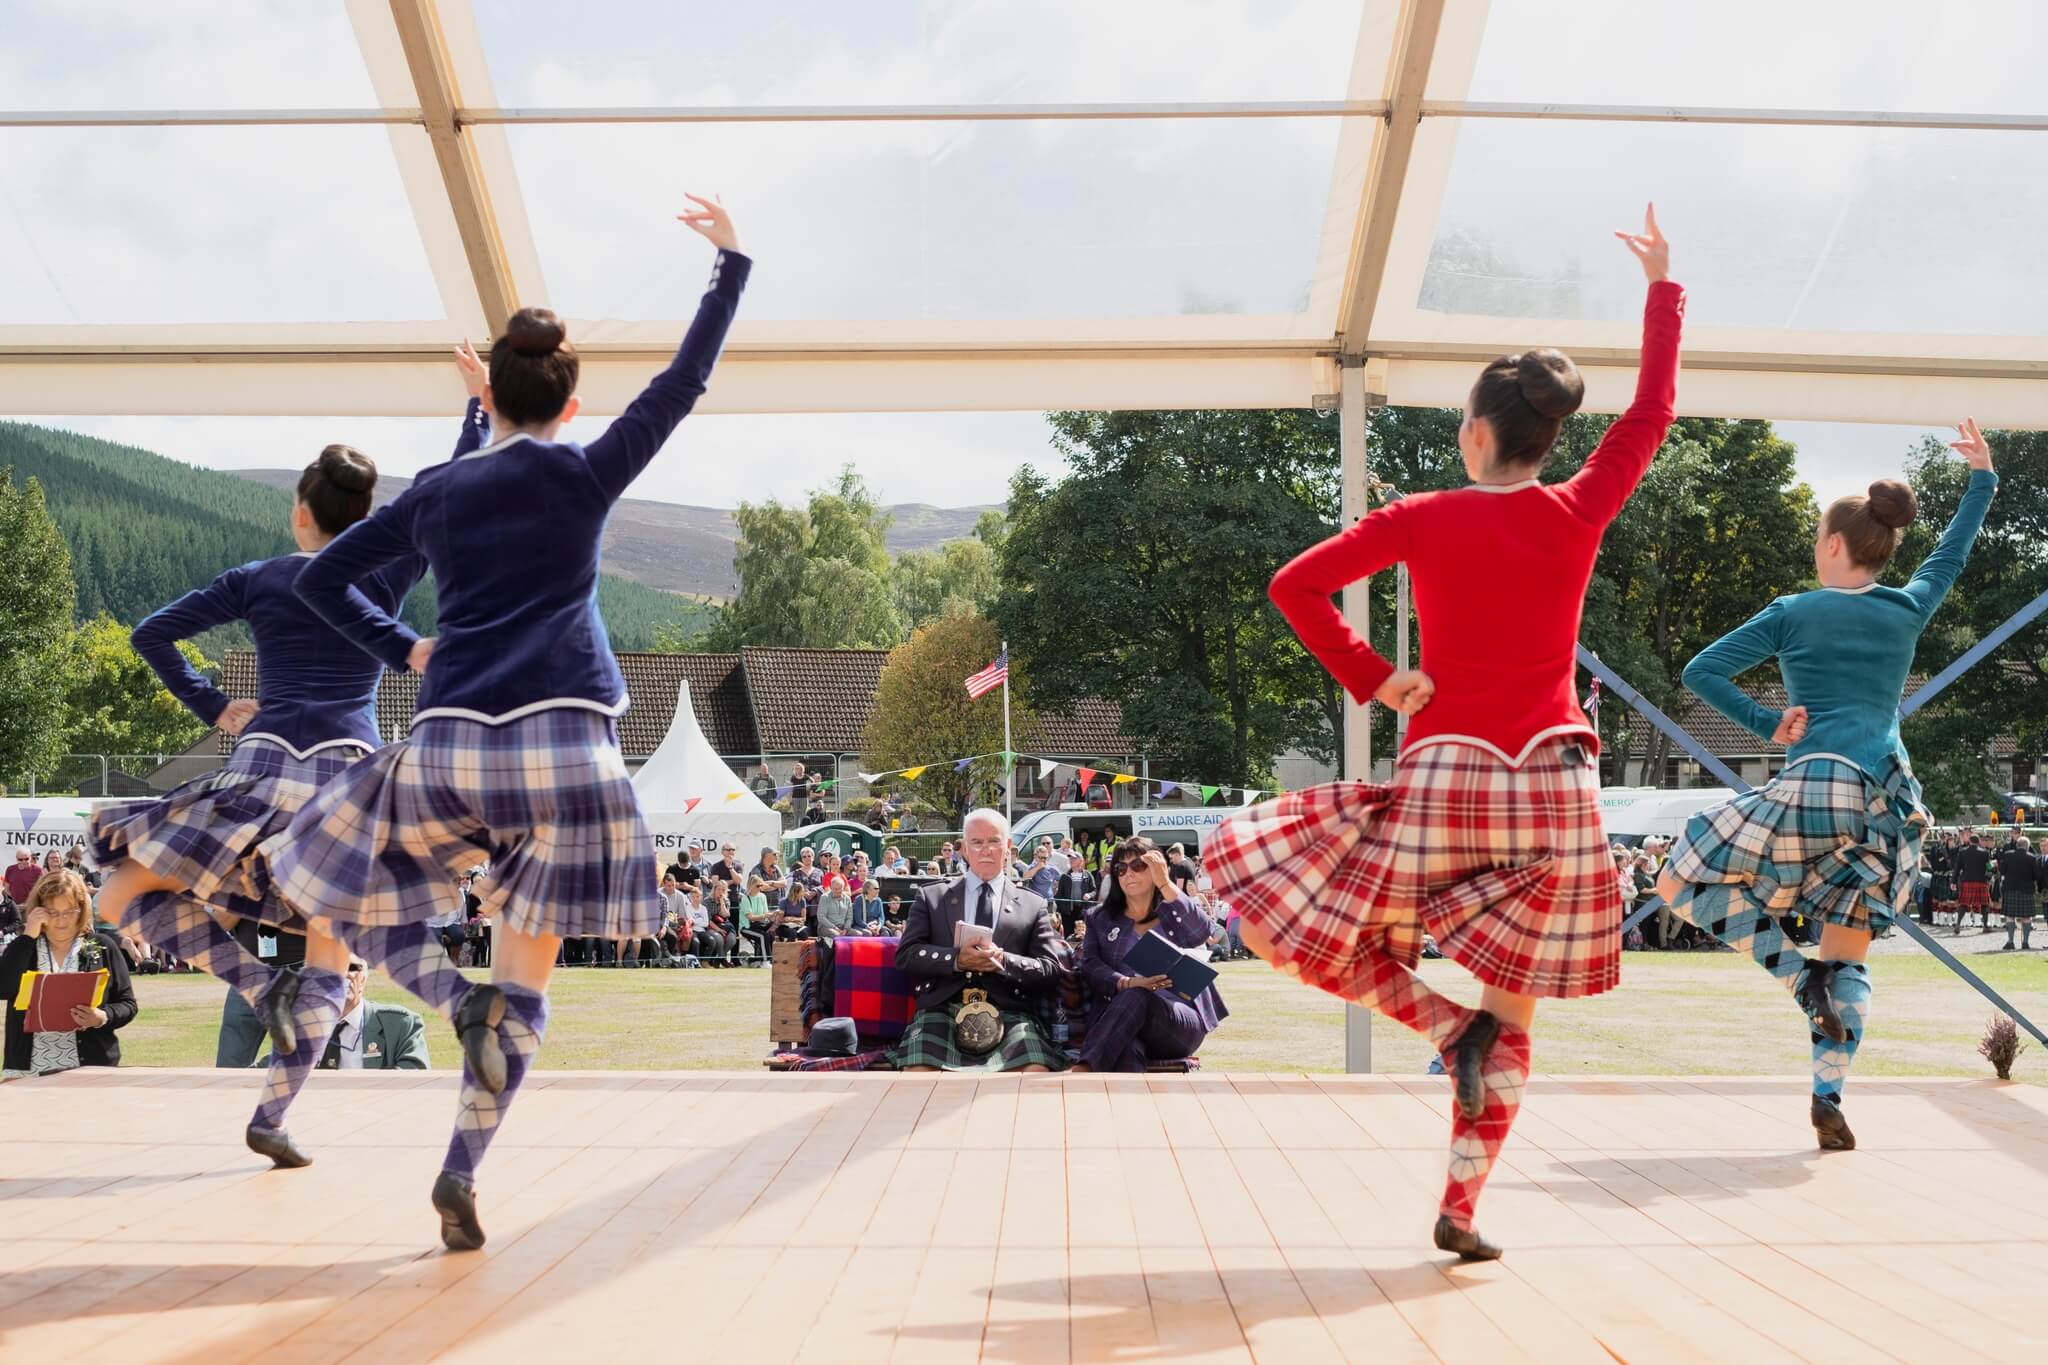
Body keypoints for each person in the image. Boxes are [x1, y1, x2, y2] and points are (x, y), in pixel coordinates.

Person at [268, 195, 747, 1249]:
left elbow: (327, 582)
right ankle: (460, 1167)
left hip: (444, 746)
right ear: (570, 404)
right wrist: (729, 263)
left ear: (496, 393)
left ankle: (450, 995)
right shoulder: (584, 472)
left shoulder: (437, 493)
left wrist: (405, 648)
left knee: (350, 895)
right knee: (530, 985)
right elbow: (684, 381)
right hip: (567, 752)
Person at [1214, 208, 1679, 1261]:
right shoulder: (1576, 511)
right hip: (1553, 788)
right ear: (1545, 439)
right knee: (1515, 1009)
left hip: (1447, 777)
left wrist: (1379, 681)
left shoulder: (1423, 515)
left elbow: (1294, 587)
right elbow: (1650, 412)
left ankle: (1440, 1026)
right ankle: (1461, 1206)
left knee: (1283, 914)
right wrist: (1660, 289)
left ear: (1475, 432)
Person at [84, 441, 465, 1172]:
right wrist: (479, 409)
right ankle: (271, 1115)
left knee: (122, 888)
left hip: (261, 765)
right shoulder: (386, 572)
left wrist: (215, 703)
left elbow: (150, 633)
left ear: (299, 515)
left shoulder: (259, 578)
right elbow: (443, 490)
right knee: (332, 951)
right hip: (344, 781)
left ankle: (261, 984)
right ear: (365, 521)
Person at [1657, 419, 1998, 1156]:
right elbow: (1952, 553)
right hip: (1884, 801)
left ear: (1835, 544)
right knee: (1851, 952)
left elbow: (1700, 671)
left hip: (1814, 783)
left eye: (1818, 535)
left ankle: (1793, 977)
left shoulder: (1794, 610)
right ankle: (1828, 1099)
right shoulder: (1907, 608)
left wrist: (1766, 721)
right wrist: (1982, 478)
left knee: (1679, 874)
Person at [891, 808, 1068, 1073]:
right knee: (918, 1074)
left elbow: (1050, 969)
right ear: (964, 849)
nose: (986, 850)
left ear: (1007, 846)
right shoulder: (933, 897)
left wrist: (1004, 960)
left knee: (1035, 1072)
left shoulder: (1033, 904)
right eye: (977, 842)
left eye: (994, 841)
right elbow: (906, 955)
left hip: (1009, 1010)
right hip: (941, 1009)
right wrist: (955, 959)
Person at [1074, 839, 1226, 1073]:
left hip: (1179, 1021)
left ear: (1157, 867)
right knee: (1127, 1044)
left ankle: (1083, 1069)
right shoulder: (1099, 918)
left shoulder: (1173, 909)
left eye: (1138, 865)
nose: (1128, 874)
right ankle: (1132, 1106)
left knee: (1138, 996)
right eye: (1121, 868)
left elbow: (1202, 932)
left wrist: (1165, 883)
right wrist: (1127, 982)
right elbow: (1090, 966)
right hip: (1122, 1018)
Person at [3, 870, 139, 1079]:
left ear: (82, 909)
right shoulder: (24, 947)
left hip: (90, 1069)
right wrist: (28, 936)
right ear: (38, 909)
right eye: (52, 912)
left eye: (69, 911)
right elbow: (3, 988)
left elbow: (128, 1003)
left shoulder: (103, 947)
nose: (61, 920)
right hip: (27, 1069)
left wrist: (102, 1016)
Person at [259, 956, 431, 1071]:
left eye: (352, 968)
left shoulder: (401, 1025)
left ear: (363, 979)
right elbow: (270, 1069)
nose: (344, 974)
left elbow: (415, 1075)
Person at [1997, 835, 2037, 950]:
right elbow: (2036, 876)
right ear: (2027, 846)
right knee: (2026, 917)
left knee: (2010, 916)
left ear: (2016, 845)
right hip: (2026, 890)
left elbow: (2002, 870)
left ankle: (2010, 942)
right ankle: (2025, 942)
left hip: (2010, 889)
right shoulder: (2032, 857)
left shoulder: (2008, 855)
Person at [1954, 832, 1992, 934]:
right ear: (1978, 841)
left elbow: (1957, 868)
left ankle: (1958, 924)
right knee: (1984, 904)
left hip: (1967, 882)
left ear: (1970, 842)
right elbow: (1989, 868)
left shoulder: (1962, 852)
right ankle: (1985, 926)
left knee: (1963, 904)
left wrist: (1953, 881)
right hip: (1981, 882)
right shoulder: (1985, 853)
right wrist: (1991, 872)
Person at [1055, 858, 1097, 925]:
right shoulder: (1064, 876)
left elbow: (1094, 890)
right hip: (1068, 913)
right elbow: (1059, 894)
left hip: (1083, 911)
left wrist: (1089, 895)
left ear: (1081, 861)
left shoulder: (1088, 875)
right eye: (1071, 859)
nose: (1071, 860)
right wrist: (1063, 908)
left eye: (1074, 859)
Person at [816, 875, 855, 940]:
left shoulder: (847, 898)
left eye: (839, 889)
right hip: (826, 927)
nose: (837, 891)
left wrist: (846, 929)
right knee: (837, 935)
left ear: (843, 888)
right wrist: (834, 928)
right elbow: (821, 916)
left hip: (843, 927)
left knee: (858, 935)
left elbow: (849, 917)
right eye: (835, 889)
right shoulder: (825, 897)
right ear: (831, 887)